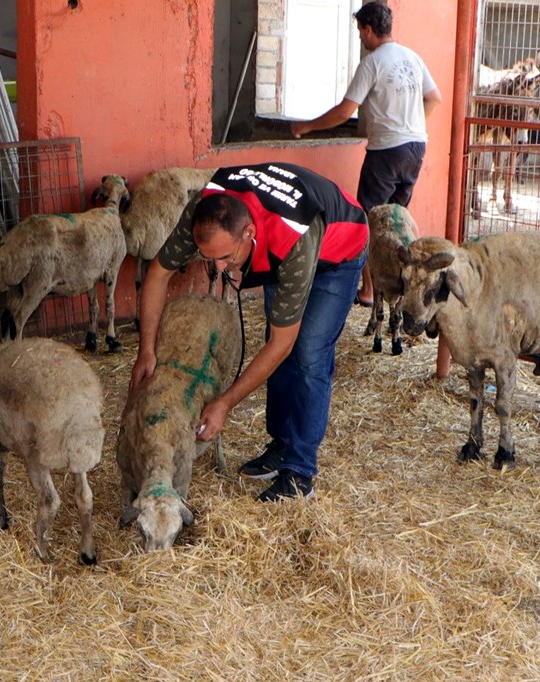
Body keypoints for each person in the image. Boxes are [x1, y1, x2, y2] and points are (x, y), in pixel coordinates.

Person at [128, 163, 369, 502]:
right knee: (282, 340)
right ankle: (282, 445)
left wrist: (225, 403)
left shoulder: (292, 237)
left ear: (248, 234)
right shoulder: (204, 210)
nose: (218, 268)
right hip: (279, 243)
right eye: (208, 258)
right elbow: (157, 274)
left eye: (225, 258)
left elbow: (281, 344)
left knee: (308, 353)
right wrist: (147, 351)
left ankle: (300, 472)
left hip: (338, 248)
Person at [289, 2, 439, 308]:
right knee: (398, 221)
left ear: (369, 29)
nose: (360, 37)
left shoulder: (372, 63)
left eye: (360, 31)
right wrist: (410, 125)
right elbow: (434, 98)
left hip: (386, 152)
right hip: (415, 148)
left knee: (368, 220)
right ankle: (404, 288)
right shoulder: (412, 57)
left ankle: (369, 290)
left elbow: (345, 111)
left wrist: (306, 127)